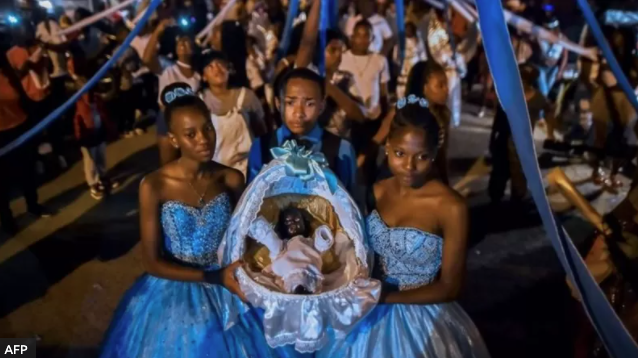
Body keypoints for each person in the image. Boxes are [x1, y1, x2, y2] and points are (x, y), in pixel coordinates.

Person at [99, 83, 280, 358]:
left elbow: (246, 237)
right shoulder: (154, 185)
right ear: (174, 140)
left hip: (228, 282)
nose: (203, 139)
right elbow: (151, 262)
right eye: (190, 134)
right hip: (173, 289)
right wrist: (212, 277)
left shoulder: (231, 178)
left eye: (207, 128)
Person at [317, 97, 490, 358]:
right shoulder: (375, 192)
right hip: (365, 315)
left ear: (434, 153)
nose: (409, 166)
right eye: (400, 154)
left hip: (420, 318)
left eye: (421, 156)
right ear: (388, 147)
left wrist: (383, 298)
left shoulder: (451, 206)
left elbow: (450, 286)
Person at [246, 68, 357, 193]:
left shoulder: (342, 149)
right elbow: (250, 201)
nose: (299, 113)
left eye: (309, 104)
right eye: (290, 103)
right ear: (278, 104)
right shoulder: (261, 146)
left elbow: (350, 205)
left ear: (321, 106)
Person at [294, 0, 366, 140]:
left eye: (341, 50)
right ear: (320, 51)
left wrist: (329, 87)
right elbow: (307, 42)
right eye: (333, 50)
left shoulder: (346, 78)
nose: (339, 55)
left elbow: (359, 115)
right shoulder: (309, 74)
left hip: (339, 149)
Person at [0, 57, 51, 236]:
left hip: (20, 128)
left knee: (27, 171)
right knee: (2, 182)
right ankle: (7, 220)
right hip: (1, 136)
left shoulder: (5, 70)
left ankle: (33, 205)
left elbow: (20, 95)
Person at [488, 65, 552, 203]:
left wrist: (550, 132)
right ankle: (496, 198)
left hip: (521, 142)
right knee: (500, 170)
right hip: (504, 140)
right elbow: (498, 119)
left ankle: (517, 199)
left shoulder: (537, 98)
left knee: (519, 172)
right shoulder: (507, 95)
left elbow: (549, 110)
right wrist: (493, 138)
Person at [144, 18, 201, 165]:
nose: (182, 43)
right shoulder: (167, 67)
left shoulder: (199, 74)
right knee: (169, 164)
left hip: (190, 121)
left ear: (194, 47)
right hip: (167, 119)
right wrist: (158, 30)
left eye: (187, 41)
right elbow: (147, 58)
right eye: (179, 42)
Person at [200, 51, 266, 176]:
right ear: (204, 76)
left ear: (228, 69)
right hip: (217, 173)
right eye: (210, 66)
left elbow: (261, 131)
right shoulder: (200, 102)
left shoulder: (246, 96)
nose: (217, 69)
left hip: (249, 168)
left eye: (220, 64)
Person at [69, 58, 119, 200]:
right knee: (90, 162)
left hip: (99, 133)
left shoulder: (97, 99)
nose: (89, 92)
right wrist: (80, 138)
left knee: (101, 157)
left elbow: (106, 108)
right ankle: (93, 184)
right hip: (87, 137)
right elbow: (77, 122)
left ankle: (103, 177)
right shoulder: (78, 104)